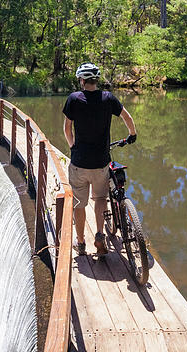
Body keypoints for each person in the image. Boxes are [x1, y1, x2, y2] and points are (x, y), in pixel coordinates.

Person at [62, 62, 137, 256]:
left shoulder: (74, 99)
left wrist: (72, 146)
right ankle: (99, 234)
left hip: (79, 163)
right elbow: (127, 117)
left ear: (82, 80)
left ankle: (80, 243)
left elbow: (67, 128)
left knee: (80, 203)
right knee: (101, 199)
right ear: (96, 80)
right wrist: (132, 134)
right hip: (101, 163)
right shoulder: (108, 98)